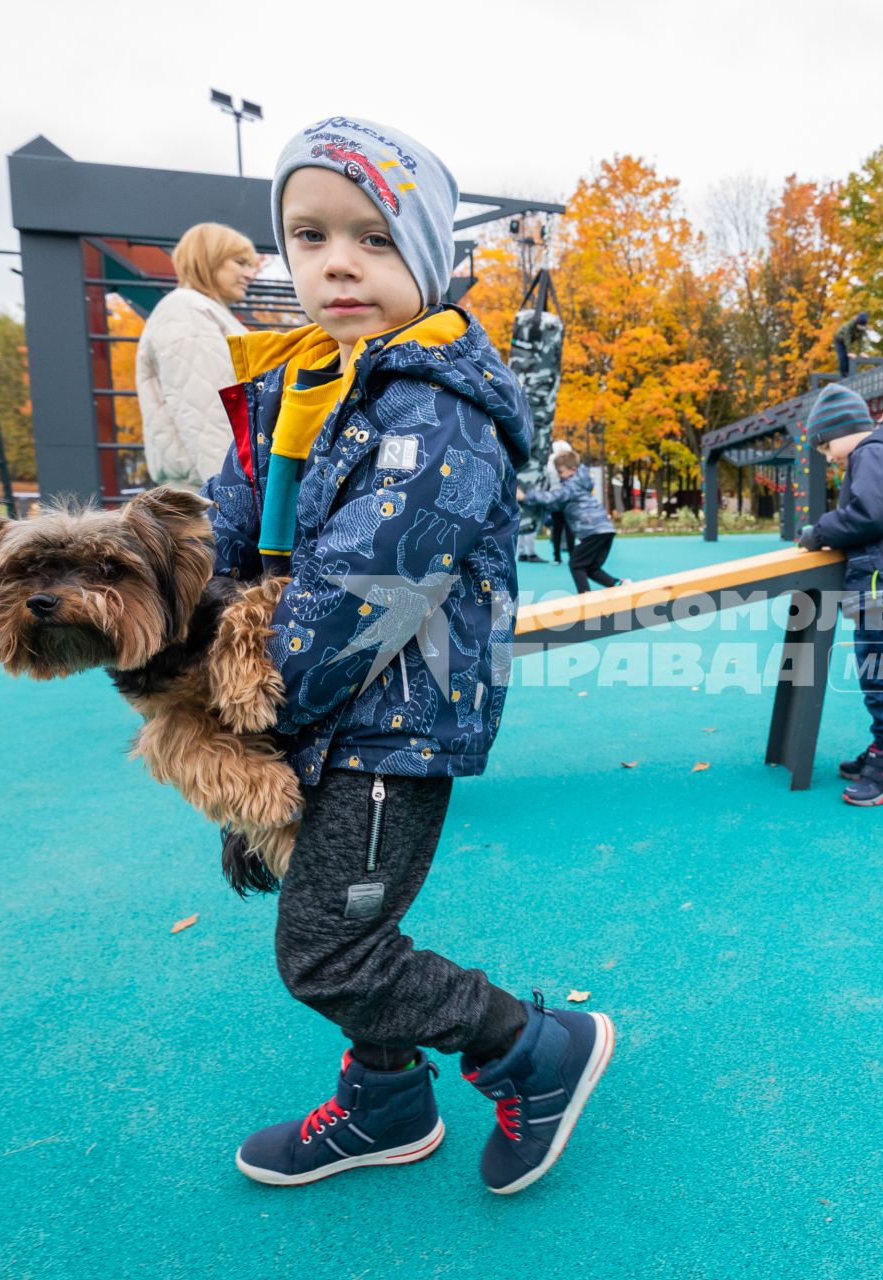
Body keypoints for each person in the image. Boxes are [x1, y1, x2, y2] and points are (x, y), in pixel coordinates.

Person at [202, 116, 615, 1195]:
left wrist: (248, 726)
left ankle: (534, 1046)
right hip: (313, 713)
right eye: (310, 235)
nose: (337, 262)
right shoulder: (302, 384)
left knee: (329, 948)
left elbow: (352, 607)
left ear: (428, 261)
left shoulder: (432, 411)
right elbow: (225, 542)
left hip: (387, 722)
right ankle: (386, 1099)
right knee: (348, 913)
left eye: (374, 239)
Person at [795, 383, 883, 807]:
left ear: (841, 430)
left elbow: (868, 515)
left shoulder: (871, 453)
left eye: (825, 447)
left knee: (877, 674)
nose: (829, 457)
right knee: (881, 672)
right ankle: (882, 750)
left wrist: (818, 532)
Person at [136, 223, 259, 489]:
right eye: (240, 263)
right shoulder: (186, 310)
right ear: (208, 259)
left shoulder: (198, 310)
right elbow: (206, 417)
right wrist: (235, 497)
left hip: (210, 487)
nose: (250, 274)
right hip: (210, 493)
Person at [523, 448, 621, 594]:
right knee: (591, 567)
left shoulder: (571, 485)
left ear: (573, 469)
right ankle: (619, 584)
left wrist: (525, 496)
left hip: (592, 530)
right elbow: (557, 504)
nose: (560, 476)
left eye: (561, 472)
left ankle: (584, 596)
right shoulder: (582, 481)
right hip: (605, 530)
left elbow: (553, 497)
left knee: (576, 564)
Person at [545, 438, 575, 564]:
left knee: (557, 527)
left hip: (554, 497)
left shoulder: (550, 461)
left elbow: (547, 478)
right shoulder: (565, 461)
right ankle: (572, 555)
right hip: (566, 496)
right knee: (569, 527)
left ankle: (557, 556)